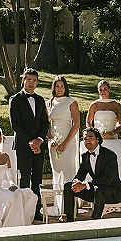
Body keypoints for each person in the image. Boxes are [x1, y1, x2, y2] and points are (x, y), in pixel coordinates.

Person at [62, 127, 121, 222]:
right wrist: (76, 182)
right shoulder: (85, 156)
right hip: (95, 191)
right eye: (85, 139)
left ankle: (95, 220)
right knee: (68, 186)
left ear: (97, 139)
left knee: (99, 189)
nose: (87, 141)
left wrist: (85, 185)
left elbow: (107, 180)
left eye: (91, 138)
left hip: (113, 192)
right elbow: (80, 175)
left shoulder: (110, 155)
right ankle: (68, 219)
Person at [9, 68, 49, 221]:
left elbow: (45, 122)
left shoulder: (39, 100)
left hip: (39, 145)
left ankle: (36, 210)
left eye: (34, 80)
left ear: (37, 82)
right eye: (29, 80)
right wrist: (30, 141)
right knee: (24, 178)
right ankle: (24, 211)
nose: (31, 83)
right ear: (23, 80)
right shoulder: (15, 99)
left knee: (38, 179)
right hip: (23, 146)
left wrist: (39, 139)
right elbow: (16, 124)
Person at [46, 75, 80, 215]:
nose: (59, 89)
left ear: (65, 87)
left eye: (62, 86)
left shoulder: (71, 102)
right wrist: (50, 139)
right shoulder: (48, 103)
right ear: (53, 88)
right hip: (54, 144)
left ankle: (69, 211)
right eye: (57, 86)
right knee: (57, 175)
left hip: (69, 143)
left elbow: (76, 124)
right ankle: (60, 209)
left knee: (68, 175)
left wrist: (65, 143)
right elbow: (44, 126)